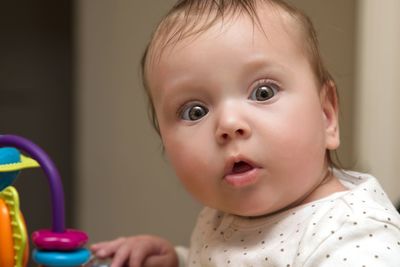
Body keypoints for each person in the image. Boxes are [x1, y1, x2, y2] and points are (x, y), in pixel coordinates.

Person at [90, 0, 400, 266]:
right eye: (194, 112)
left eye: (263, 93)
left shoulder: (352, 235)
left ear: (326, 116)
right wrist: (179, 259)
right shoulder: (222, 217)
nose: (228, 124)